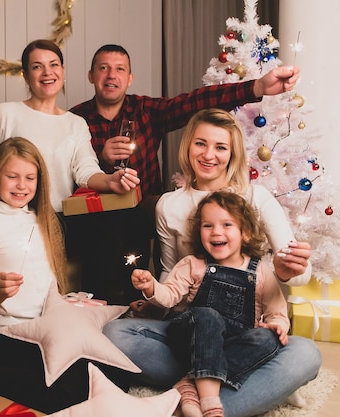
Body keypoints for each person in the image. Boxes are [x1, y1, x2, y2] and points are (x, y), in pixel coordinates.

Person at [103, 108, 321, 417]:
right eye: (200, 144)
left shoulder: (256, 198)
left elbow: (298, 274)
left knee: (305, 354)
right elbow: (169, 271)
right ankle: (243, 384)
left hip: (243, 334)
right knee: (115, 334)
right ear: (188, 146)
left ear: (232, 154)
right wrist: (153, 301)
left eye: (220, 147)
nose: (209, 155)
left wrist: (287, 272)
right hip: (190, 329)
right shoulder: (169, 204)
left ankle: (192, 392)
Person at [70, 44, 301, 303]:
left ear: (129, 78)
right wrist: (100, 157)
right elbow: (69, 171)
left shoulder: (146, 111)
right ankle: (94, 304)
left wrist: (256, 88)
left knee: (151, 209)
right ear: (91, 75)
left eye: (120, 69)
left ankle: (143, 301)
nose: (111, 75)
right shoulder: (76, 119)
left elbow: (195, 102)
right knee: (106, 230)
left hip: (143, 211)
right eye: (103, 68)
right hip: (98, 217)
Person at [0, 137, 133, 413]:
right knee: (70, 389)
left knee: (118, 374)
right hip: (13, 333)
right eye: (12, 176)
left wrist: (74, 304)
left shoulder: (43, 220)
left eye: (29, 178)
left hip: (53, 328)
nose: (21, 185)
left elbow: (47, 286)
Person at [132, 191, 290, 417]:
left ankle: (189, 383)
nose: (216, 231)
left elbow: (277, 313)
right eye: (208, 226)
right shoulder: (192, 264)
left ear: (244, 233)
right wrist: (150, 286)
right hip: (193, 336)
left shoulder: (261, 272)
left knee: (268, 339)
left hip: (233, 343)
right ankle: (209, 401)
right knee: (208, 315)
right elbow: (169, 295)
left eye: (227, 224)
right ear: (199, 232)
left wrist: (278, 326)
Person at [0, 39, 140, 220]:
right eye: (37, 67)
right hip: (13, 218)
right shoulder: (5, 113)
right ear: (25, 75)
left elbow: (86, 170)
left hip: (62, 220)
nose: (47, 72)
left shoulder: (76, 123)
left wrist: (111, 181)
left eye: (53, 65)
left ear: (62, 71)